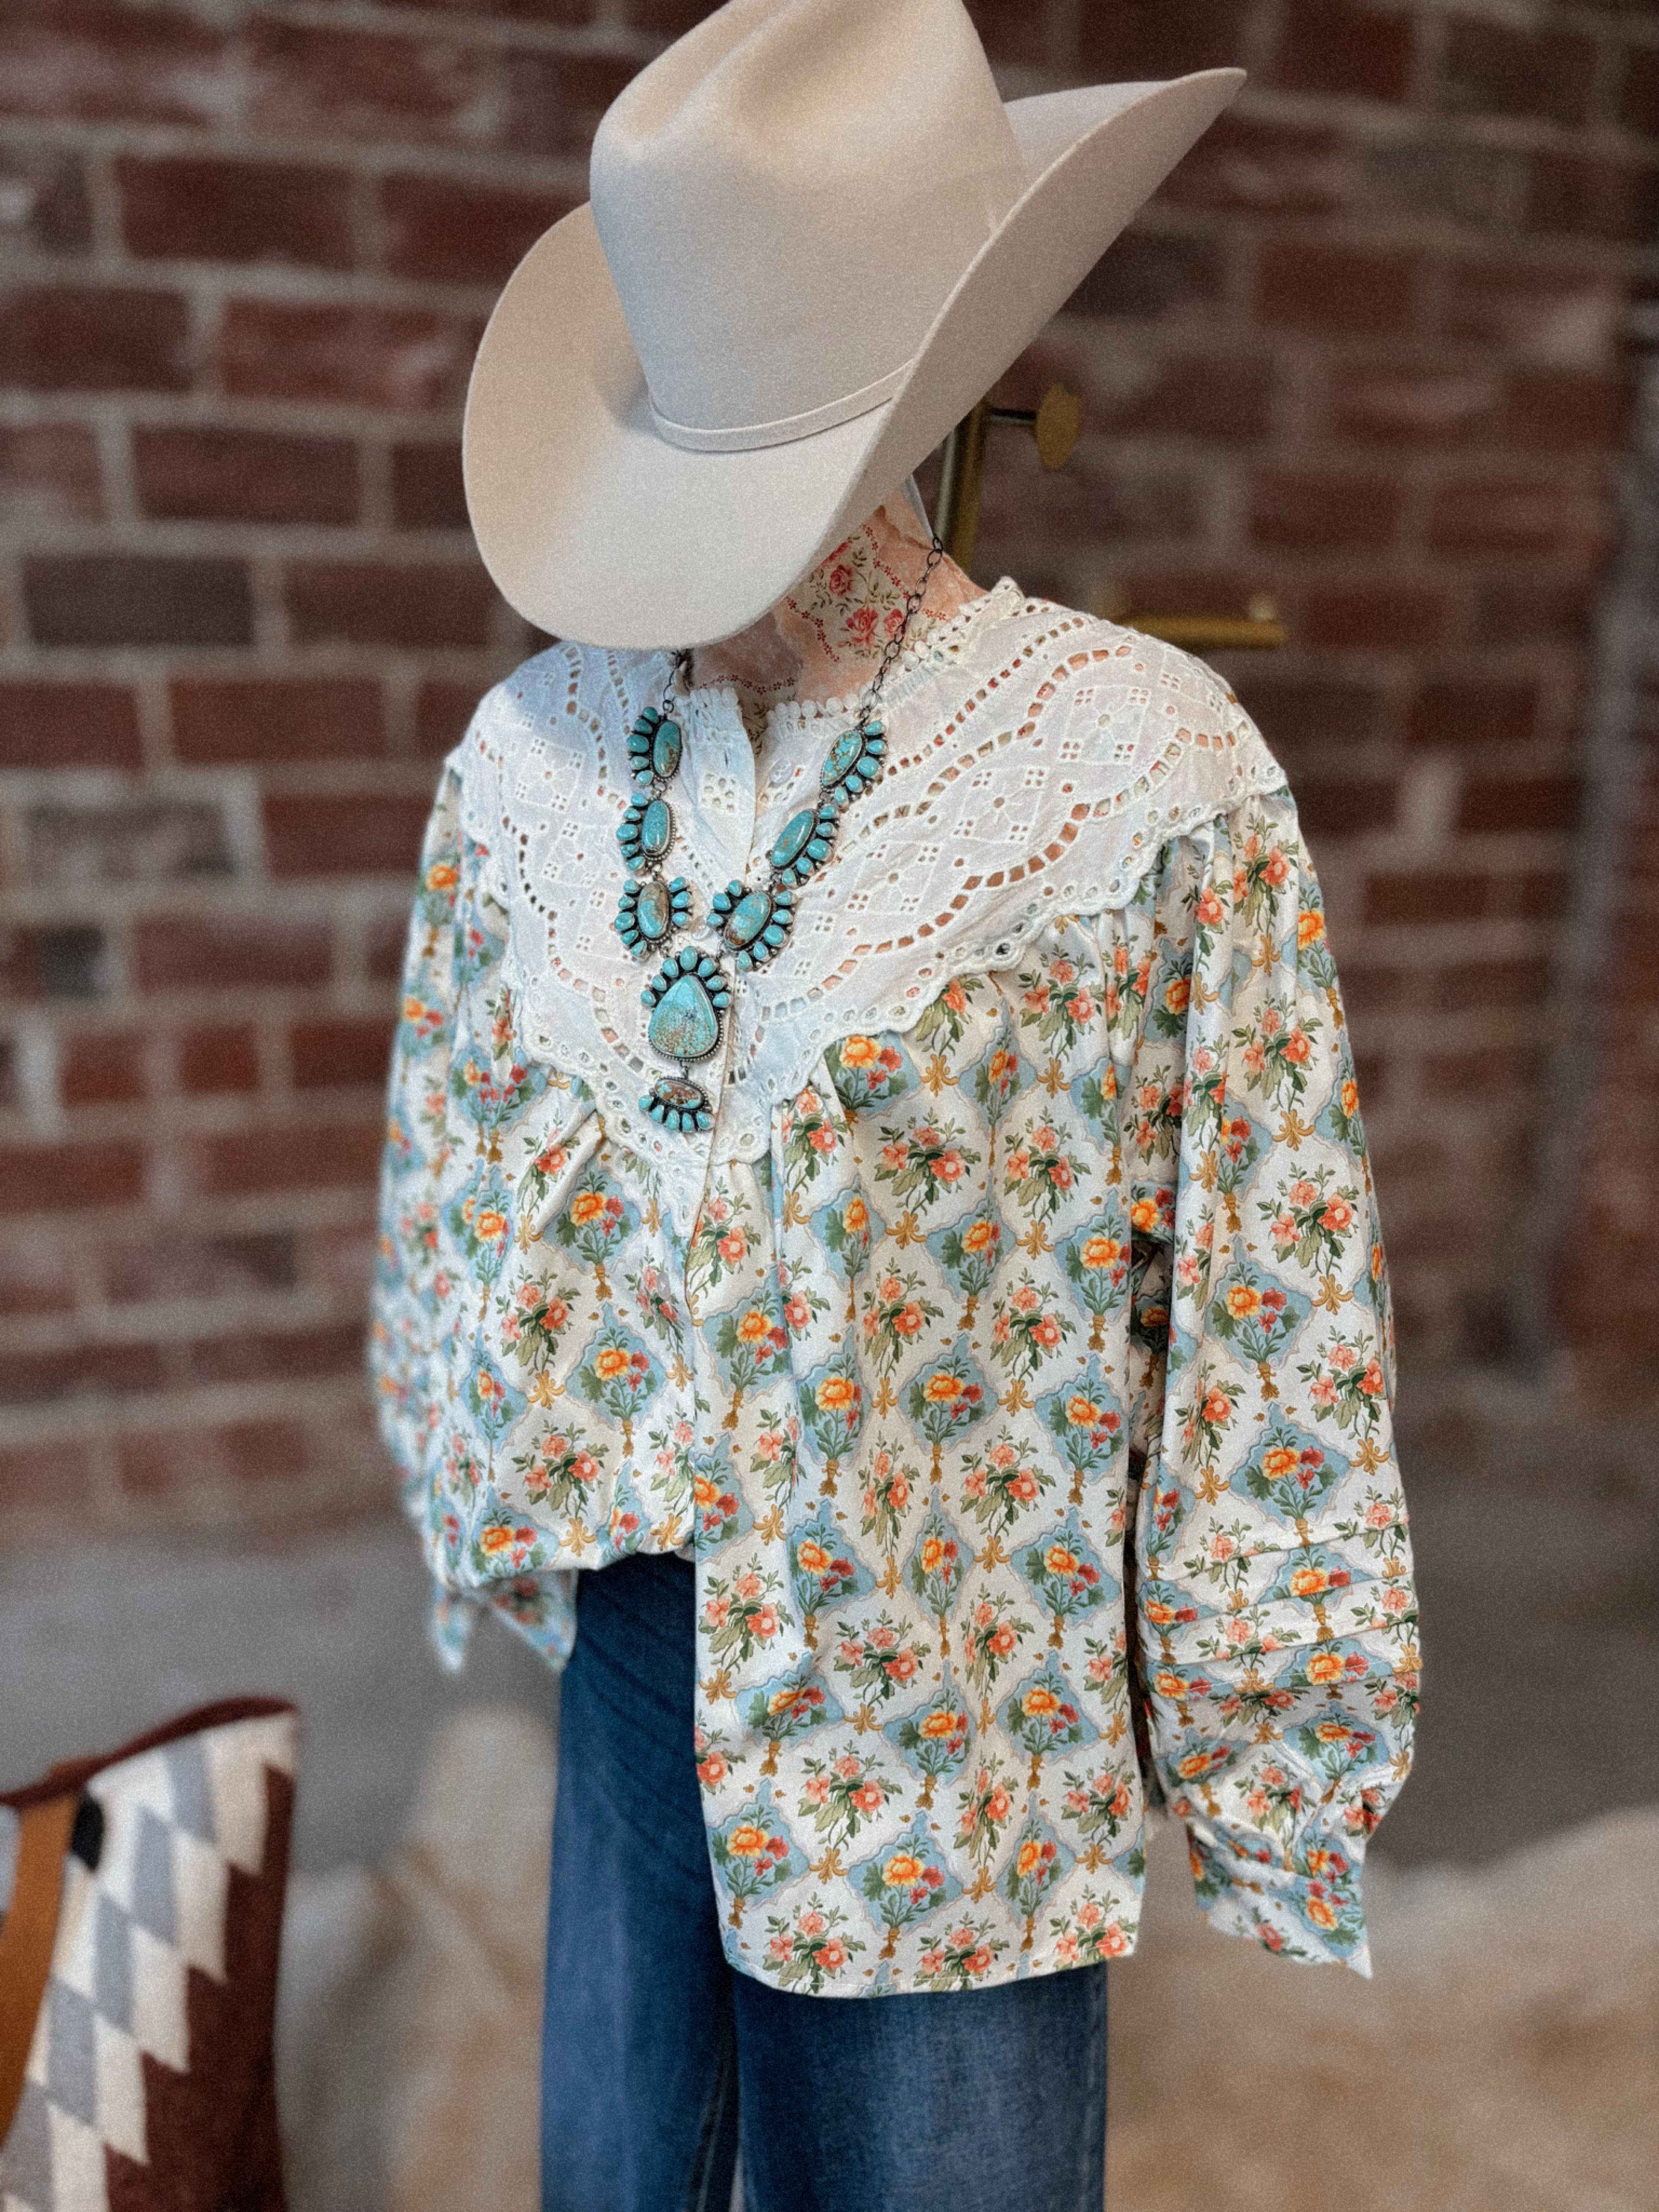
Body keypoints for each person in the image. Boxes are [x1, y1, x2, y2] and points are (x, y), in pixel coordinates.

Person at [369, 3, 1420, 2207]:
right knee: (620, 2167)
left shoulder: (1138, 780)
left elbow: (1266, 1311)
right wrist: (493, 1463)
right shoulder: (532, 776)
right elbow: (454, 1221)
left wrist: (1267, 1727)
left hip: (970, 1716)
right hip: (647, 1673)